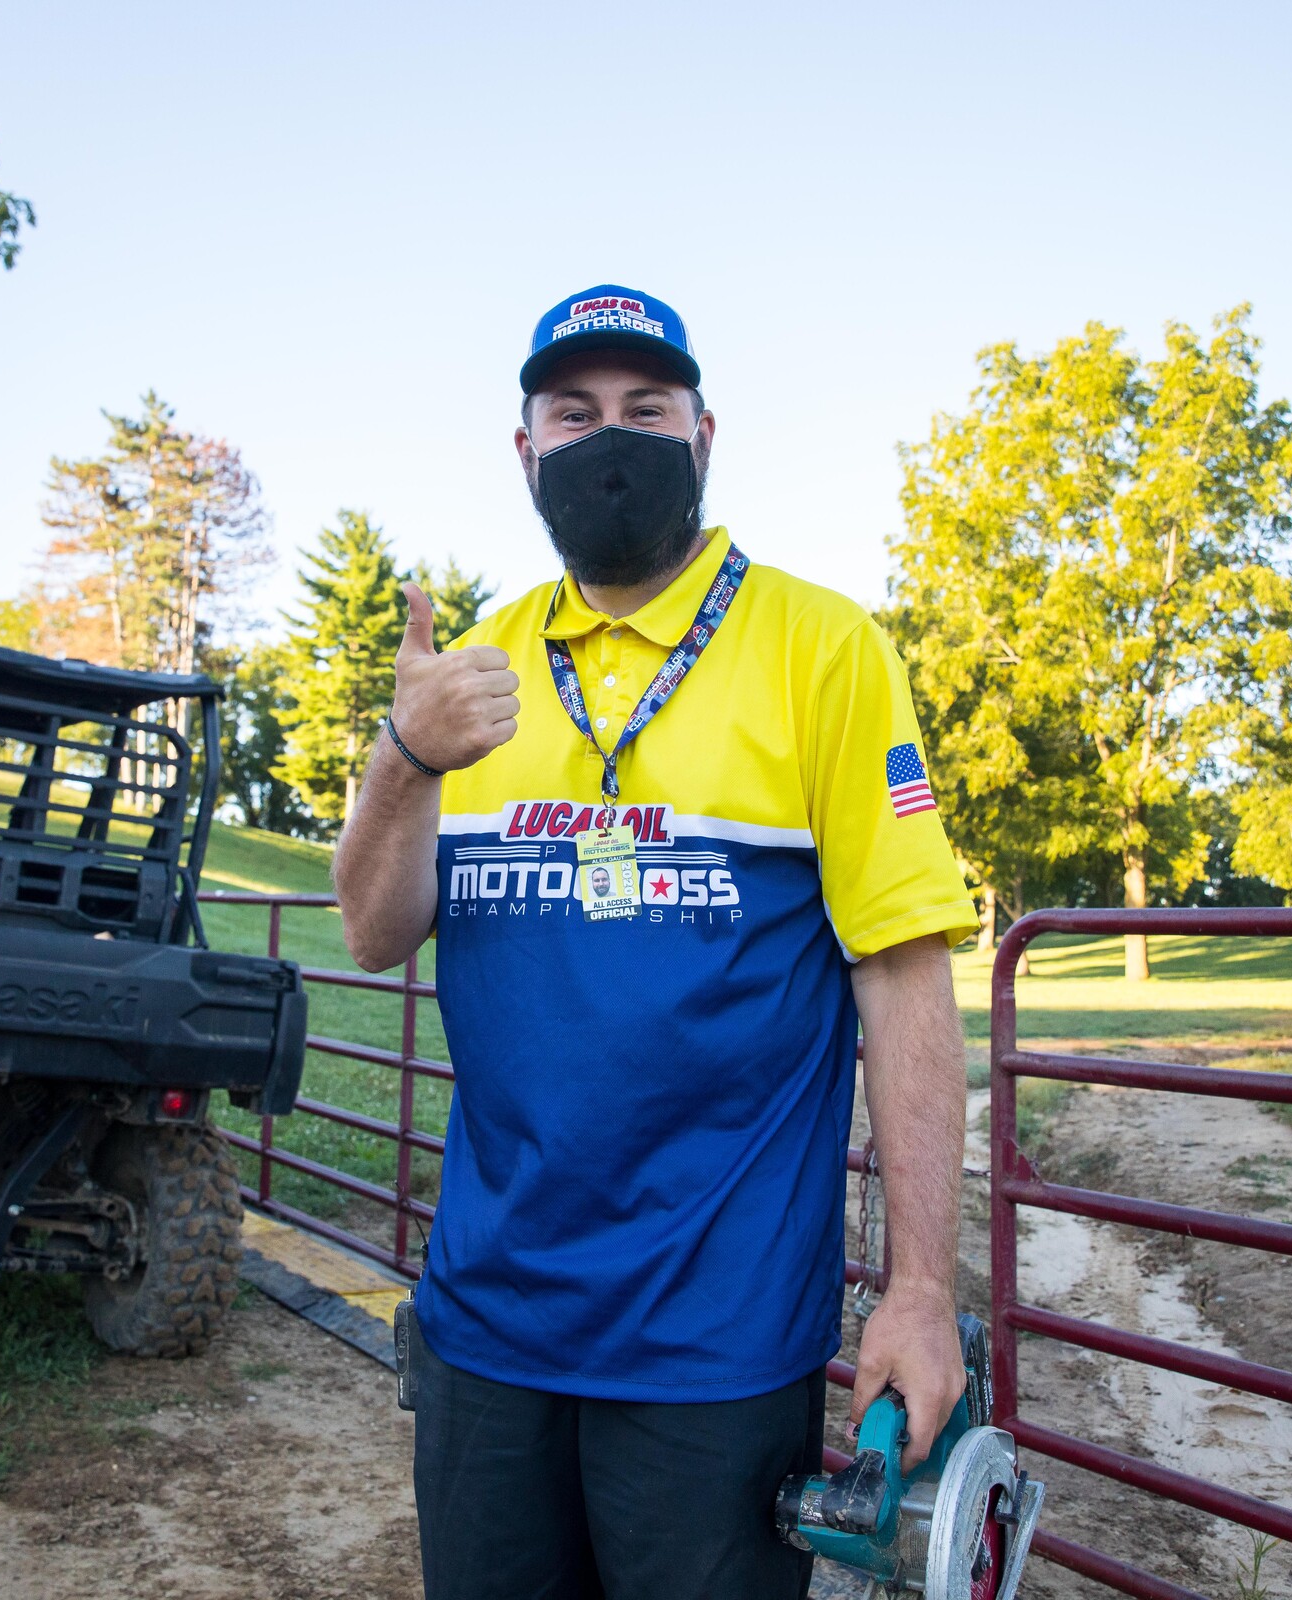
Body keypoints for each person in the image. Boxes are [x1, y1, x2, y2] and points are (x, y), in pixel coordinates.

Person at [333, 284, 980, 1600]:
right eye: (573, 414)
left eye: (646, 408)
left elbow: (905, 975)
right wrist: (404, 758)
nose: (609, 438)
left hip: (716, 1343)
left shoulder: (823, 648)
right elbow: (370, 931)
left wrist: (919, 1287)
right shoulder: (473, 671)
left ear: (704, 435)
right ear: (525, 452)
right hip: (486, 1323)